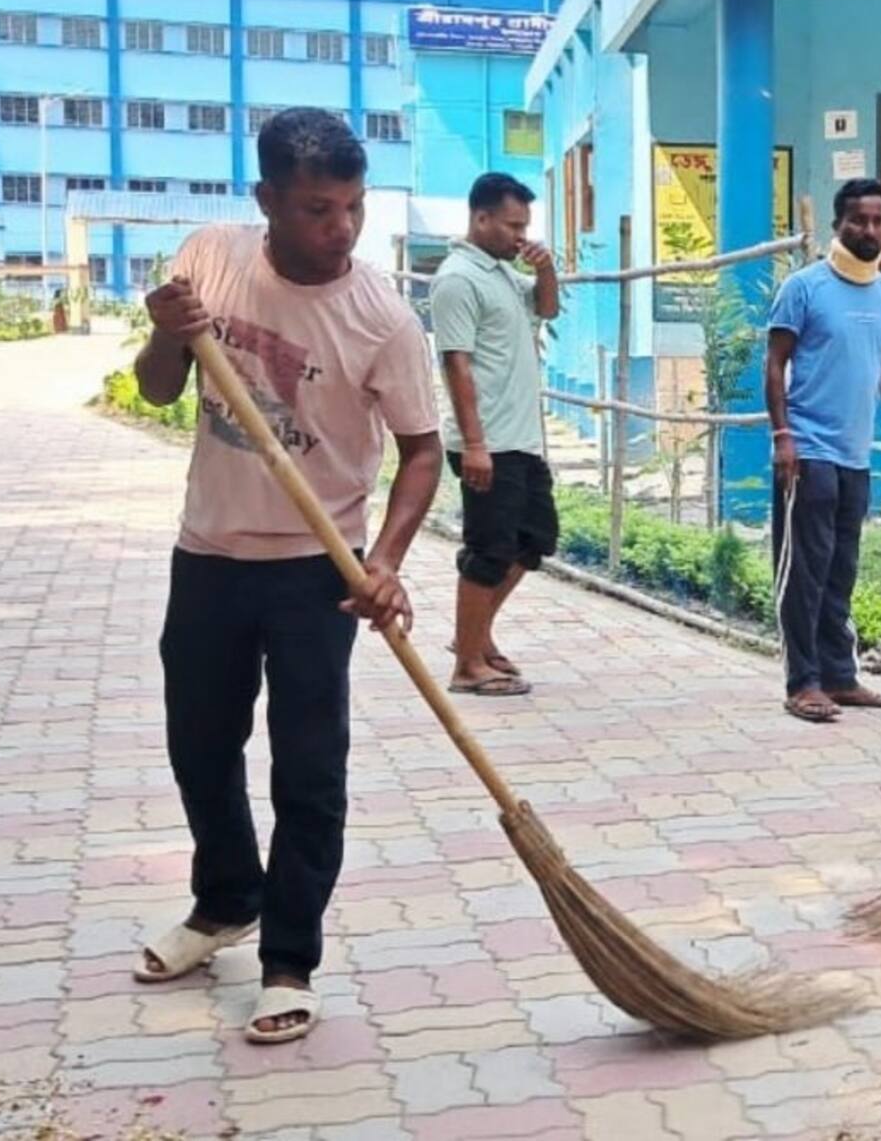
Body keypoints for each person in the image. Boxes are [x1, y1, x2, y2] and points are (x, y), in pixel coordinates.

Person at [131, 108, 442, 1045]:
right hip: (210, 556)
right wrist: (168, 333)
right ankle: (225, 897)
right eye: (316, 208)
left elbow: (422, 453)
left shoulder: (381, 317)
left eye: (352, 207)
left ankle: (289, 958)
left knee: (309, 769)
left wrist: (382, 562)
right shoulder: (210, 261)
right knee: (199, 744)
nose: (339, 228)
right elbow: (154, 387)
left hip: (318, 571)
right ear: (266, 199)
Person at [765, 177, 881, 723]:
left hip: (857, 454)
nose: (870, 230)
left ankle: (839, 675)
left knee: (841, 568)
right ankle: (801, 681)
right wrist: (782, 436)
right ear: (839, 225)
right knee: (804, 570)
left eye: (878, 220)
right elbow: (775, 364)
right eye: (859, 220)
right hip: (807, 449)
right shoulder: (805, 287)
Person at [431, 172, 560, 696]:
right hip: (488, 444)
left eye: (525, 226)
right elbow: (456, 365)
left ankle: (477, 639)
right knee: (488, 550)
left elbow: (546, 308)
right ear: (480, 218)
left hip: (521, 440)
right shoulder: (458, 278)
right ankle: (466, 664)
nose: (519, 235)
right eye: (511, 225)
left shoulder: (503, 273)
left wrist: (546, 269)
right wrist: (476, 444)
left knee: (531, 542)